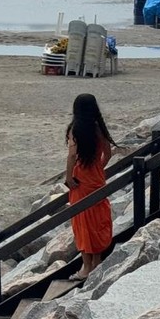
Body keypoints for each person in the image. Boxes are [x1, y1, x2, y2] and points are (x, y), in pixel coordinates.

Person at [65, 93, 116, 280]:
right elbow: (108, 153)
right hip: (96, 178)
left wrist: (69, 177)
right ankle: (97, 262)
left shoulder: (75, 129)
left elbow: (72, 155)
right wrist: (98, 168)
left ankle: (86, 268)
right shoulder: (98, 129)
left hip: (81, 181)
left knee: (82, 221)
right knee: (98, 220)